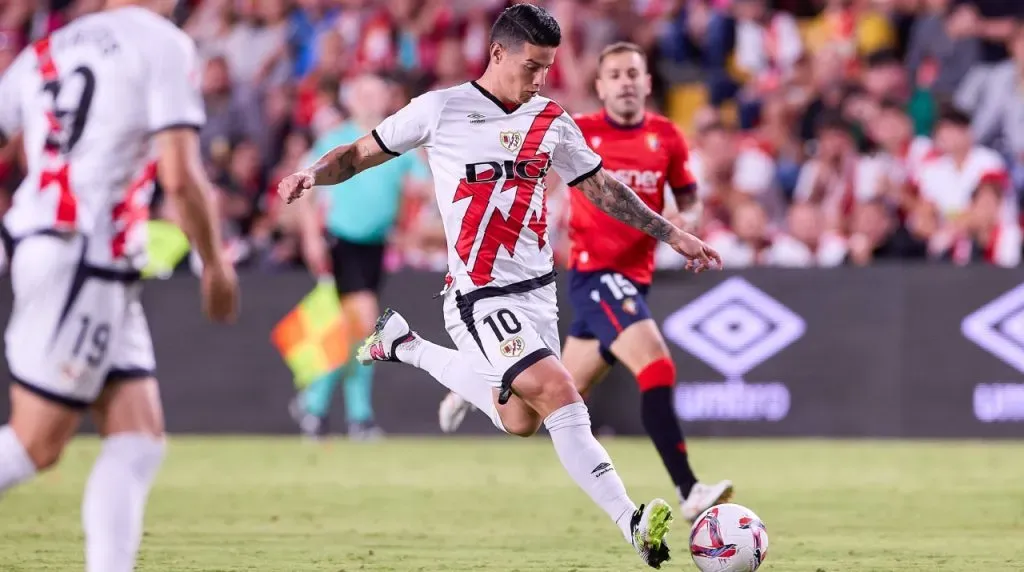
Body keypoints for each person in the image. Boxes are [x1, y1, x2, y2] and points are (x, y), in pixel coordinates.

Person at [279, 5, 720, 568]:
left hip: (538, 292)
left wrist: (671, 233)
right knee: (561, 390)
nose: (538, 79)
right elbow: (357, 155)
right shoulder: (440, 109)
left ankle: (403, 345)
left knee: (520, 420)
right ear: (497, 53)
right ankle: (631, 521)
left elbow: (601, 187)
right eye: (531, 66)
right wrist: (311, 174)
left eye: (547, 69)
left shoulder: (551, 119)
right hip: (477, 294)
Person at [437, 41, 734, 523]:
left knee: (536, 406)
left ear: (648, 82)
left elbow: (689, 196)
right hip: (596, 274)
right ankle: (689, 490)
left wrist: (685, 217)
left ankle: (483, 378)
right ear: (600, 86)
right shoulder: (576, 129)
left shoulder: (667, 137)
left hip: (636, 279)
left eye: (633, 73)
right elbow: (532, 180)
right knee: (656, 365)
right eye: (614, 74)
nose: (625, 81)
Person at [0, 1, 239, 571]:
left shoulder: (47, 50)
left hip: (70, 252)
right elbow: (179, 176)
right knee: (36, 444)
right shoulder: (160, 43)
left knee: (139, 438)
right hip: (84, 255)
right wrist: (215, 264)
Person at [288, 73, 431, 440]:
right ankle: (354, 416)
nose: (369, 99)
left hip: (374, 246)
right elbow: (305, 186)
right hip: (342, 242)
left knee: (351, 332)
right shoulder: (334, 139)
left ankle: (318, 407)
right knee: (364, 324)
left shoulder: (397, 141)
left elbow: (422, 186)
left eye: (376, 92)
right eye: (362, 93)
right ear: (349, 100)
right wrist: (310, 237)